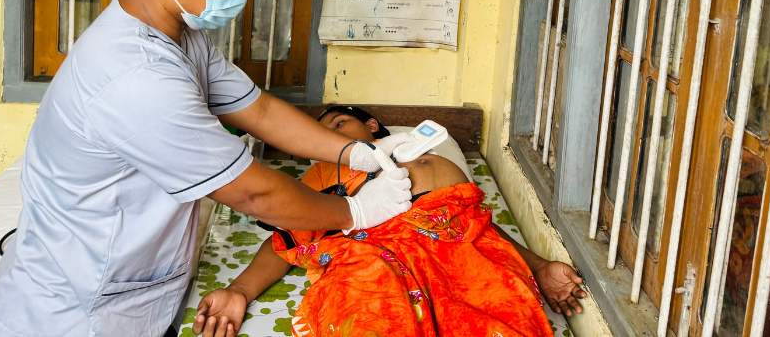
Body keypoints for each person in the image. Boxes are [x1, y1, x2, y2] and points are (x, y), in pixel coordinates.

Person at [0, 0, 413, 337]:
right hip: (77, 314)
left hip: (134, 289)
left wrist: (353, 154)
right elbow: (253, 193)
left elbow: (260, 111)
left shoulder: (178, 37)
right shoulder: (136, 77)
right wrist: (356, 213)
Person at [192, 106, 589, 337]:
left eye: (339, 125)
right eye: (319, 134)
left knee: (491, 309)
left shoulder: (421, 160)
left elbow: (471, 227)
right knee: (370, 307)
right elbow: (290, 239)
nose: (331, 139)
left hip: (451, 256)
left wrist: (539, 267)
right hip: (371, 257)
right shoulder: (322, 182)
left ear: (371, 127)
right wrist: (239, 291)